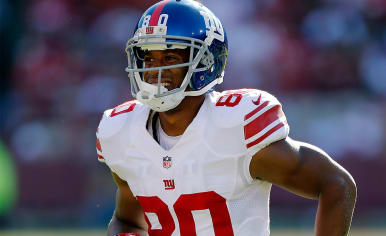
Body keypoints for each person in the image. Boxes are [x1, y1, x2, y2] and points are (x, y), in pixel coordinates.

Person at [95, 0, 357, 235]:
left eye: (170, 57)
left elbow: (337, 185)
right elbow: (128, 221)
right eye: (148, 58)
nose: (155, 69)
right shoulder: (122, 131)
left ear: (206, 63)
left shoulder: (237, 127)